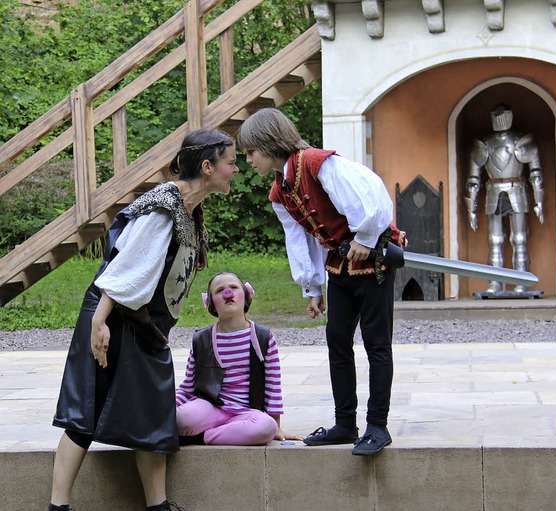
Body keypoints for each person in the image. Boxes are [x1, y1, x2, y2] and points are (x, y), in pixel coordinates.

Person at [46, 129, 239, 511]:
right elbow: (125, 265)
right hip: (113, 314)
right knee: (86, 410)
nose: (235, 169)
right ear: (207, 166)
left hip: (143, 324)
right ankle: (57, 507)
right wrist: (99, 323)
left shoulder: (188, 207)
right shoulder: (163, 206)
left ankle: (158, 506)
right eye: (230, 162)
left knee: (154, 413)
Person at [236, 108, 406, 456]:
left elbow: (368, 192)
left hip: (374, 261)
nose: (249, 159)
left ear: (268, 142)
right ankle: (345, 424)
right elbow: (301, 240)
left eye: (251, 150)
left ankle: (378, 426)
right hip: (339, 267)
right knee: (337, 340)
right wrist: (312, 287)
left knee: (376, 344)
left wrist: (365, 235)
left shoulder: (317, 163)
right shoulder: (279, 191)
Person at [175, 271, 302, 446]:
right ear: (210, 303)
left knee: (266, 428)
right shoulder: (201, 340)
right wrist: (170, 407)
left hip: (247, 412)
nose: (228, 293)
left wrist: (277, 426)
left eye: (234, 287)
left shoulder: (263, 337)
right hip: (209, 406)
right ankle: (227, 430)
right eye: (220, 290)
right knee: (179, 418)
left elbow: (273, 385)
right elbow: (187, 386)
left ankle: (202, 437)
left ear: (247, 295)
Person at [465, 103, 544, 294]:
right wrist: (471, 207)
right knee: (494, 240)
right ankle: (494, 282)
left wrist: (539, 201)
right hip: (494, 191)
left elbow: (536, 174)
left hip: (517, 189)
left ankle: (521, 281)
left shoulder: (523, 141)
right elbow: (473, 180)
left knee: (519, 238)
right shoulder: (484, 144)